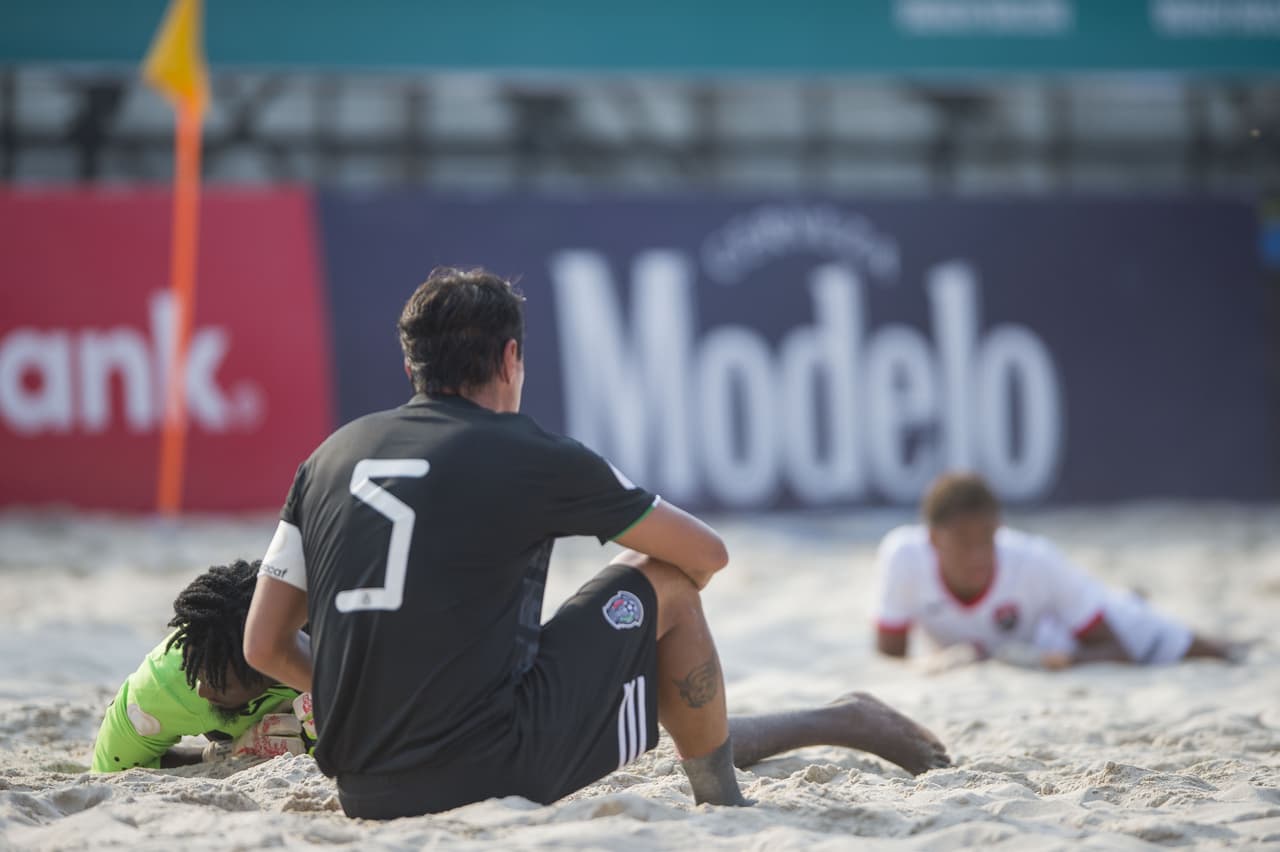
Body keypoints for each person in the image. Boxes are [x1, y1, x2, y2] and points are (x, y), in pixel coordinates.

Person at [243, 267, 949, 819]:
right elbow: (706, 555)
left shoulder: (328, 456)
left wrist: (374, 687)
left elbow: (264, 647)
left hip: (361, 789)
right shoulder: (531, 452)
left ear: (410, 369)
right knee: (663, 578)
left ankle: (791, 727)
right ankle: (722, 798)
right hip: (491, 773)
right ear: (511, 357)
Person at [874, 472, 1236, 669]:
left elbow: (1117, 649)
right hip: (1013, 647)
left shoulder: (1035, 561)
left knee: (1211, 652)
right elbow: (890, 655)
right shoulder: (903, 556)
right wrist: (946, 663)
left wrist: (1053, 662)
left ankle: (1135, 604)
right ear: (934, 539)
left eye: (987, 539)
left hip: (1055, 636)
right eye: (963, 542)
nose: (978, 554)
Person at [91, 560, 311, 773]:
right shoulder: (163, 689)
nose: (202, 690)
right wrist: (223, 752)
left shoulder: (326, 646)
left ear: (261, 660)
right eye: (197, 673)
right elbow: (111, 773)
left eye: (219, 683)